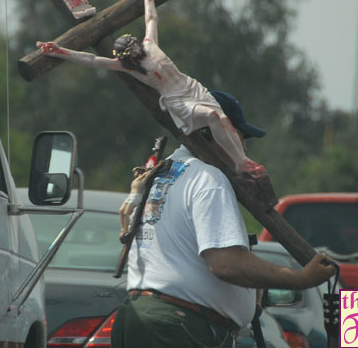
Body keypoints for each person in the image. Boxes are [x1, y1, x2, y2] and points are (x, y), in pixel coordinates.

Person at [111, 132, 336, 347]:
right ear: (215, 134)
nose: (244, 148)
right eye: (239, 136)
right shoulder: (208, 178)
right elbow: (225, 263)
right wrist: (301, 278)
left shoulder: (161, 173)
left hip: (146, 317)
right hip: (177, 327)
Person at [37, 0, 265, 179]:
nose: (138, 51)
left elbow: (151, 19)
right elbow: (93, 60)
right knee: (214, 115)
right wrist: (60, 51)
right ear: (128, 57)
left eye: (136, 46)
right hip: (178, 99)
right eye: (133, 52)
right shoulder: (128, 67)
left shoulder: (149, 44)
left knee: (223, 119)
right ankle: (239, 163)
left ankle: (241, 160)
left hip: (192, 87)